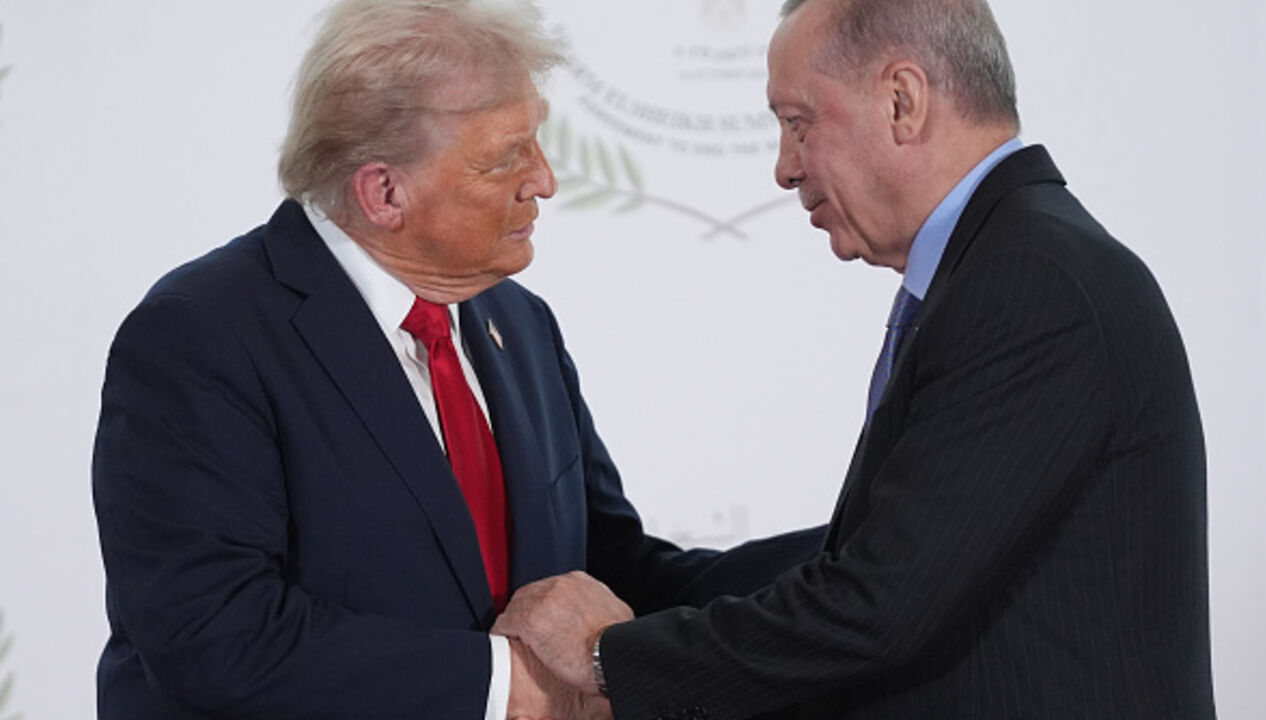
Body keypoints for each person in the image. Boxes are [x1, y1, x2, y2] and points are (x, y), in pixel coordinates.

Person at [90, 1, 820, 718]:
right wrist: (505, 686)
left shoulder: (518, 323)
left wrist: (854, 556)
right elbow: (214, 636)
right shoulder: (201, 336)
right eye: (505, 158)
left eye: (536, 143)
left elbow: (613, 574)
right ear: (384, 192)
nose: (544, 179)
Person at [493, 0, 1217, 718]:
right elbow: (890, 558)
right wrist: (652, 602)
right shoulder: (1012, 262)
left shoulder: (1030, 283)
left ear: (903, 101)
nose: (784, 168)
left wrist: (607, 657)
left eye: (797, 123)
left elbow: (879, 604)